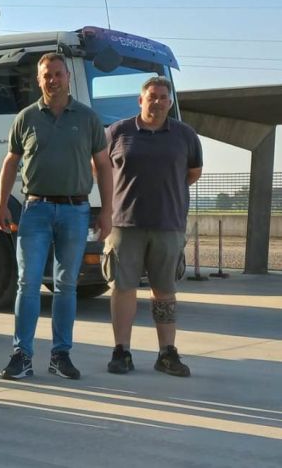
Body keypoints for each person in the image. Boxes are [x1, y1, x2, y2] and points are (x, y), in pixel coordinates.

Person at [0, 53, 113, 381]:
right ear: (38, 79)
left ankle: (61, 355)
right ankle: (22, 354)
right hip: (35, 210)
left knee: (66, 286)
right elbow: (9, 162)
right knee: (27, 283)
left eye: (58, 74)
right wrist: (1, 204)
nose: (53, 80)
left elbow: (103, 166)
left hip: (75, 212)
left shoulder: (88, 118)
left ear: (67, 77)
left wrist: (107, 210)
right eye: (47, 75)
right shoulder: (26, 118)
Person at [104, 76, 202, 377]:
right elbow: (102, 170)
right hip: (125, 225)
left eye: (163, 97)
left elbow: (193, 173)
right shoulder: (118, 132)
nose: (157, 101)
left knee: (164, 291)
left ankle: (167, 353)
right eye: (152, 96)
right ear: (140, 100)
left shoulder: (185, 136)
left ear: (170, 103)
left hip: (168, 225)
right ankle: (122, 351)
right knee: (123, 289)